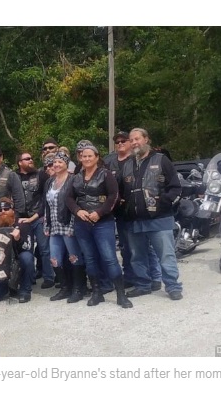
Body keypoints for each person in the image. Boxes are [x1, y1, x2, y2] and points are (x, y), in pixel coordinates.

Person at [66, 145, 133, 309]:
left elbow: (113, 196)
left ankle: (121, 294)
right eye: (84, 156)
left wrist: (100, 212)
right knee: (89, 259)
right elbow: (68, 197)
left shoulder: (106, 174)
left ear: (97, 157)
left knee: (109, 258)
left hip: (102, 223)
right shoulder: (75, 177)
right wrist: (77, 210)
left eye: (90, 156)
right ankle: (97, 293)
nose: (87, 159)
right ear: (80, 158)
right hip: (82, 224)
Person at [120, 128, 183, 301]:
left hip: (159, 219)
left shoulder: (161, 160)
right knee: (137, 256)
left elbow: (176, 188)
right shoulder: (127, 164)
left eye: (137, 139)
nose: (134, 142)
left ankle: (172, 286)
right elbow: (120, 191)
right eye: (131, 140)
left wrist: (163, 201)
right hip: (134, 220)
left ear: (146, 139)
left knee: (166, 255)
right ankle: (143, 285)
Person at [104, 131, 162, 290]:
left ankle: (155, 277)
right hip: (121, 211)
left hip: (140, 210)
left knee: (146, 246)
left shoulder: (137, 158)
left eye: (124, 141)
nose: (120, 143)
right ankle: (130, 276)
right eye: (118, 141)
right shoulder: (109, 162)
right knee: (125, 246)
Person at [43, 153, 85, 303]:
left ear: (67, 164)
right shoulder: (49, 182)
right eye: (54, 162)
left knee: (74, 256)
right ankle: (65, 287)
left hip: (68, 223)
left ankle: (79, 288)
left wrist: (73, 225)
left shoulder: (73, 179)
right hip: (54, 225)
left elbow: (76, 203)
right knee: (54, 258)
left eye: (60, 162)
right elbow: (46, 205)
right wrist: (46, 224)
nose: (57, 165)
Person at [0, 197, 35, 303]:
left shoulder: (22, 224)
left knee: (27, 257)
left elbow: (28, 248)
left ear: (13, 211)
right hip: (0, 262)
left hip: (18, 259)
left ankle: (25, 290)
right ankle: (2, 287)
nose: (3, 212)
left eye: (6, 209)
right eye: (0, 210)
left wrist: (18, 239)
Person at [16, 151, 54, 289]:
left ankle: (49, 277)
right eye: (27, 159)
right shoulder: (13, 176)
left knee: (44, 249)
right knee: (27, 249)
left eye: (31, 158)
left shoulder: (40, 174)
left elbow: (45, 197)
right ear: (20, 162)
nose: (31, 160)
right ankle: (29, 278)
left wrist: (37, 215)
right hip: (21, 219)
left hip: (38, 217)